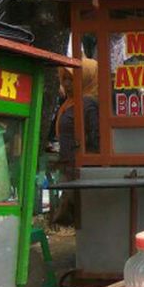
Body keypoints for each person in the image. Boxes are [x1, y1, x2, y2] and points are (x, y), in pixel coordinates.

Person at [52, 59, 99, 228]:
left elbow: (96, 138)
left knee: (83, 216)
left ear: (85, 78)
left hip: (80, 168)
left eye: (71, 79)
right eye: (64, 79)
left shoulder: (88, 104)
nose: (66, 84)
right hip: (70, 166)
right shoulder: (70, 102)